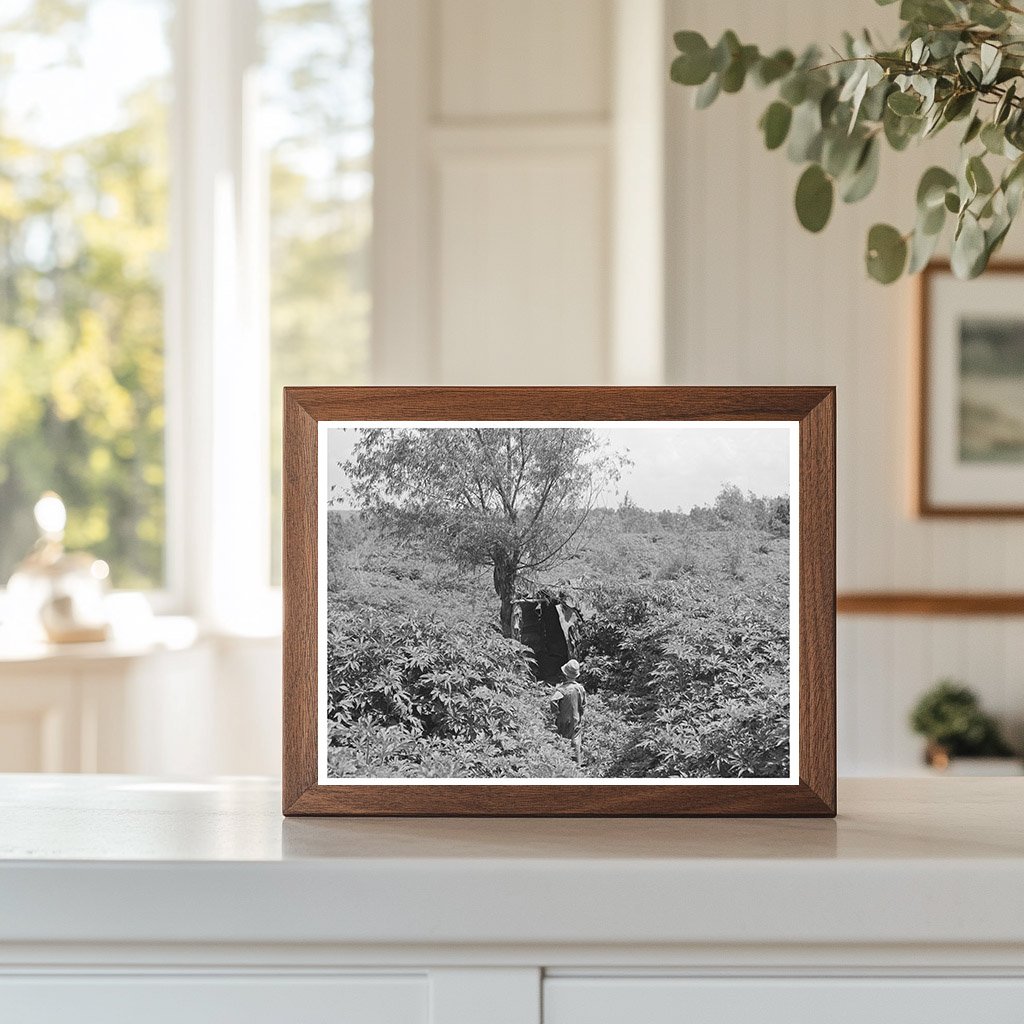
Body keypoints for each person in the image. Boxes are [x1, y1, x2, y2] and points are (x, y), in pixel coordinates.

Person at [550, 659, 586, 766]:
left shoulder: (562, 689)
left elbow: (553, 700)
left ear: (565, 674)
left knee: (563, 740)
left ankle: (563, 765)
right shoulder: (580, 689)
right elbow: (583, 704)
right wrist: (580, 713)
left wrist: (556, 712)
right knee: (576, 742)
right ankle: (577, 766)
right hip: (576, 718)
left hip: (563, 719)